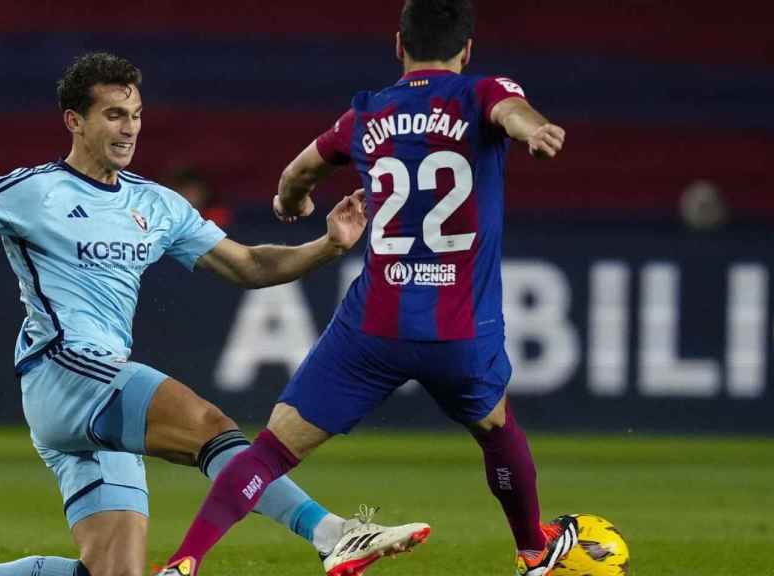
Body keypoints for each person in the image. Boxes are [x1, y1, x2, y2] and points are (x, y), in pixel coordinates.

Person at [0, 52, 428, 576]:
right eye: (113, 114)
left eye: (134, 114)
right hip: (63, 368)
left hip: (95, 386)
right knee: (211, 428)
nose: (129, 127)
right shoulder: (32, 190)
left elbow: (249, 265)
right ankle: (333, 535)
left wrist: (328, 247)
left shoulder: (155, 203)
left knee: (113, 572)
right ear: (74, 121)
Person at [156, 1, 580, 575]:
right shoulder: (479, 93)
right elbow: (511, 111)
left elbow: (297, 172)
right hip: (458, 328)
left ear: (398, 46)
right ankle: (533, 547)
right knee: (496, 429)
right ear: (468, 49)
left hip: (374, 324)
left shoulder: (366, 115)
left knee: (272, 449)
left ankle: (184, 562)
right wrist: (535, 131)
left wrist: (291, 204)